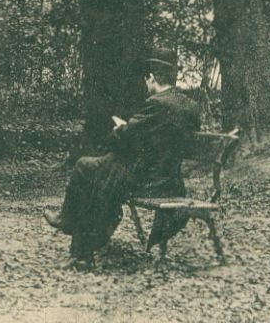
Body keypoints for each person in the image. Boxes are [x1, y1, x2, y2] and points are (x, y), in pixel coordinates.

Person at [44, 47, 200, 266]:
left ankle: (73, 232)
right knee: (99, 168)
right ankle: (73, 230)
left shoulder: (157, 104)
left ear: (152, 78)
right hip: (169, 178)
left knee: (86, 168)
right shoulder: (190, 106)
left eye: (147, 81)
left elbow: (124, 138)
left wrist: (120, 128)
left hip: (147, 180)